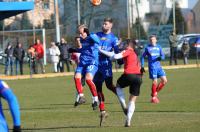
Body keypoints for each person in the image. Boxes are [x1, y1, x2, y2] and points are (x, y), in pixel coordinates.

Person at [99, 39, 142, 127]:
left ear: (128, 45)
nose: (123, 45)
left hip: (129, 75)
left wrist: (108, 56)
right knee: (132, 99)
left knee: (118, 86)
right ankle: (128, 120)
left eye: (124, 44)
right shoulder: (135, 54)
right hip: (138, 77)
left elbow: (115, 57)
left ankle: (123, 104)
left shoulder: (128, 51)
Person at [93, 17, 120, 119]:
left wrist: (118, 58)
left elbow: (116, 52)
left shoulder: (113, 38)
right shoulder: (97, 35)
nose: (103, 25)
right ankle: (102, 110)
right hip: (96, 65)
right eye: (103, 24)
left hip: (106, 65)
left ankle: (120, 95)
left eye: (106, 24)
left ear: (111, 25)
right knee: (98, 87)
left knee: (109, 85)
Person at [69, 24, 100, 110]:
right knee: (76, 77)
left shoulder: (92, 36)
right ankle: (81, 96)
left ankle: (95, 99)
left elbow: (98, 41)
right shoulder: (82, 40)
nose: (79, 35)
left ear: (86, 31)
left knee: (88, 79)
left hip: (92, 61)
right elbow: (83, 49)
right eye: (79, 33)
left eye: (81, 33)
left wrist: (90, 35)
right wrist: (74, 50)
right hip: (83, 61)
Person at [141, 35, 167, 103]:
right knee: (155, 81)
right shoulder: (147, 48)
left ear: (156, 40)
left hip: (159, 67)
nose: (152, 41)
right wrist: (142, 66)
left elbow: (163, 56)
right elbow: (142, 57)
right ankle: (154, 98)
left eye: (153, 39)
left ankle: (154, 93)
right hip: (152, 67)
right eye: (151, 40)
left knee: (164, 81)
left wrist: (161, 58)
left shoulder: (159, 47)